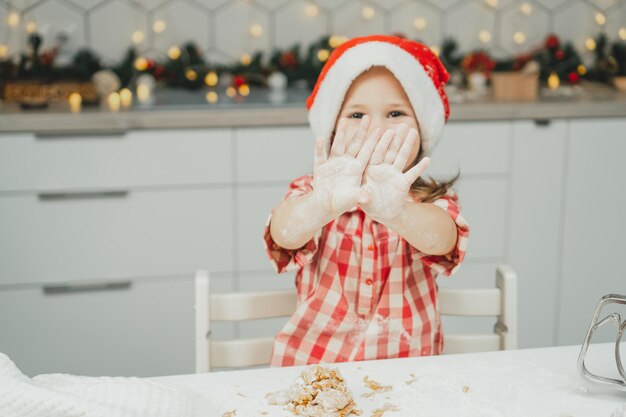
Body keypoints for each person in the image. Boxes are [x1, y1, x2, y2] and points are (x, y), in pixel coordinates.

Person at [263, 35, 470, 367]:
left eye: (395, 113)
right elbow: (283, 234)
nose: (375, 127)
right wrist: (319, 207)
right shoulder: (313, 191)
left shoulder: (427, 202)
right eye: (357, 115)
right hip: (313, 372)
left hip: (409, 376)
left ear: (423, 131)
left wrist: (399, 212)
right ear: (331, 132)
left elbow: (444, 240)